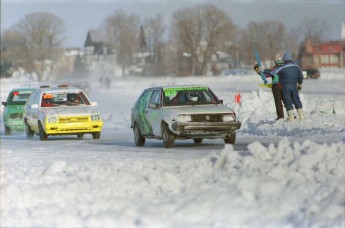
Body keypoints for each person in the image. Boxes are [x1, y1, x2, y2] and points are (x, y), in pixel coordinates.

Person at [269, 51, 304, 121]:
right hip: (290, 85)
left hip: (281, 86)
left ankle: (285, 117)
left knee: (282, 101)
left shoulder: (278, 68)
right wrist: (299, 84)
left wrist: (260, 70)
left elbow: (270, 73)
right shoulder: (294, 67)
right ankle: (299, 116)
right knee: (293, 100)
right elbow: (300, 77)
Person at [254, 53, 285, 120]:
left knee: (278, 102)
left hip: (276, 86)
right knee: (287, 100)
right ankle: (291, 114)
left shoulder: (274, 68)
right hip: (284, 85)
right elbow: (266, 74)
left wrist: (259, 70)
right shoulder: (285, 66)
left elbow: (266, 74)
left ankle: (280, 117)